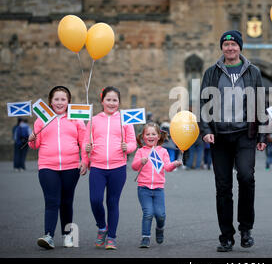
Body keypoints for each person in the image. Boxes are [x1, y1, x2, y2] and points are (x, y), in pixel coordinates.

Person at [199, 30, 267, 252]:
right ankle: (226, 235)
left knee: (247, 177)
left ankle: (246, 229)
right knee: (223, 186)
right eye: (226, 44)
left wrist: (263, 134)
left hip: (244, 134)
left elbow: (260, 102)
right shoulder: (212, 72)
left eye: (233, 44)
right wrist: (206, 129)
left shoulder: (253, 72)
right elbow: (204, 102)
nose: (230, 48)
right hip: (219, 136)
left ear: (240, 47)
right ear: (222, 48)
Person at [28, 86, 87, 249]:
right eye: (56, 99)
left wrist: (85, 161)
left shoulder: (76, 119)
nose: (60, 102)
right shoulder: (41, 119)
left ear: (68, 102)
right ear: (50, 101)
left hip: (71, 166)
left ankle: (68, 236)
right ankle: (48, 236)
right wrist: (31, 138)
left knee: (67, 201)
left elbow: (84, 142)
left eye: (63, 99)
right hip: (47, 166)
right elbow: (35, 145)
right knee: (52, 201)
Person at [82, 86, 137, 250]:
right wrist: (85, 160)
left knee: (113, 202)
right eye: (109, 99)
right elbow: (86, 142)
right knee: (95, 200)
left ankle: (112, 237)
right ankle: (101, 227)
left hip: (118, 168)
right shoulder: (94, 120)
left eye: (115, 100)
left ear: (119, 102)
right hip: (97, 167)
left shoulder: (125, 119)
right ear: (102, 101)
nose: (112, 103)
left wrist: (128, 147)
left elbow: (133, 142)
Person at [132, 123, 182, 248]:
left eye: (153, 134)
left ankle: (160, 228)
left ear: (159, 136)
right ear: (143, 137)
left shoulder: (163, 151)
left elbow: (167, 167)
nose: (150, 136)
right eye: (147, 134)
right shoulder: (140, 151)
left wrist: (175, 164)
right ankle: (145, 237)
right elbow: (134, 167)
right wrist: (140, 161)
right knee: (148, 213)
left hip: (159, 188)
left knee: (161, 215)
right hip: (143, 188)